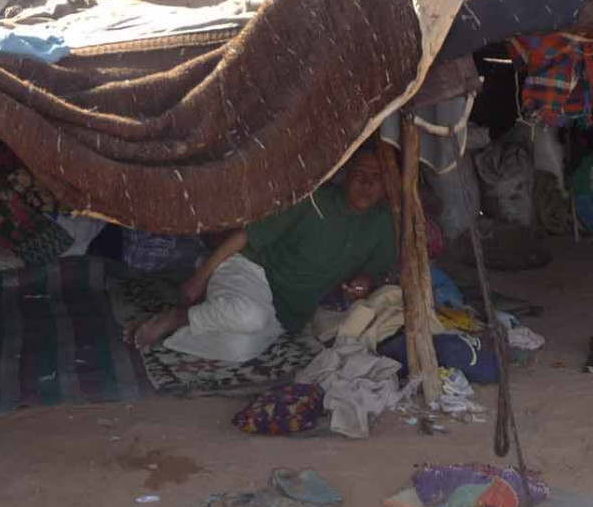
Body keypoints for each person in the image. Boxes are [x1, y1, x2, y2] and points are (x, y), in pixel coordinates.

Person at [129, 149, 398, 360]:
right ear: (345, 175)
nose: (367, 184)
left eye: (376, 178)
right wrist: (199, 278)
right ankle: (176, 317)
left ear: (386, 184)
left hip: (286, 312)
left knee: (241, 350)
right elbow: (245, 236)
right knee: (250, 316)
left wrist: (365, 281)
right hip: (252, 272)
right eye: (360, 174)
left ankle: (178, 333)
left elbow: (376, 274)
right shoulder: (314, 199)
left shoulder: (383, 223)